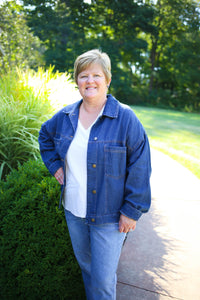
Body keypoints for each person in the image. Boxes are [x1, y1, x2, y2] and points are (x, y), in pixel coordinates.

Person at [38, 49, 151, 300]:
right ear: (77, 81)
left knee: (102, 280)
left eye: (96, 75)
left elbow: (141, 166)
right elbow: (44, 135)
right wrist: (55, 165)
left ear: (107, 80)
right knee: (88, 269)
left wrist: (131, 211)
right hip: (74, 211)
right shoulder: (66, 116)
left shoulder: (125, 118)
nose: (90, 81)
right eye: (83, 75)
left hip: (109, 216)